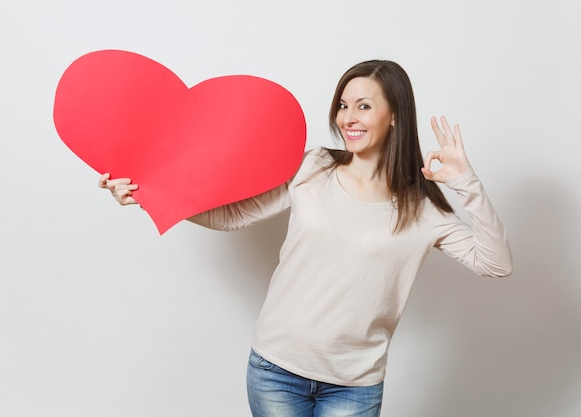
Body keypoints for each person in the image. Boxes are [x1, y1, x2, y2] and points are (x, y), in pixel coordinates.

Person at [98, 59, 513, 417]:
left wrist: (466, 184)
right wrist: (147, 193)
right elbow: (236, 215)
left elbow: (496, 263)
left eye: (364, 106)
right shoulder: (313, 166)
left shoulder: (420, 209)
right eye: (343, 105)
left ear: (395, 116)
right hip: (276, 369)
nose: (348, 117)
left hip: (354, 384)